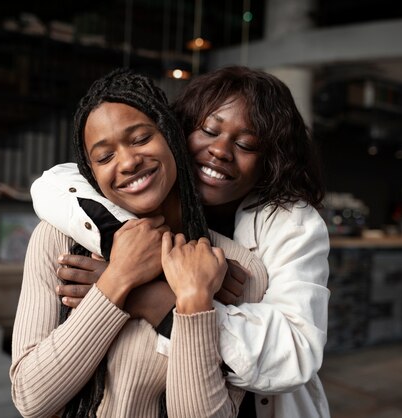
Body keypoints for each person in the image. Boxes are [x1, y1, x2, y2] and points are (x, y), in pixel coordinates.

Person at [31, 66, 331, 417]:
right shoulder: (146, 186)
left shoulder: (289, 227)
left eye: (246, 144)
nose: (220, 150)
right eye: (208, 130)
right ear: (178, 129)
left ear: (271, 162)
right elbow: (53, 185)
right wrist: (145, 260)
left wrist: (151, 296)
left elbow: (292, 357)